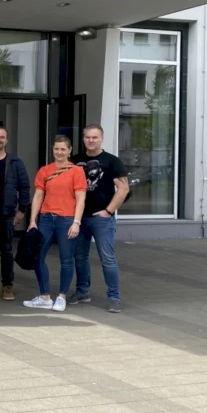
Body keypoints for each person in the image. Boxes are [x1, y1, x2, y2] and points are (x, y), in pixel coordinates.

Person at [24, 136, 87, 312]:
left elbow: (81, 199)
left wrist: (76, 222)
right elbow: (38, 196)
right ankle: (45, 296)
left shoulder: (76, 171)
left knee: (66, 259)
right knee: (38, 256)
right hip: (45, 218)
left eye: (62, 149)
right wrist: (32, 220)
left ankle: (62, 297)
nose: (59, 152)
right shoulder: (45, 170)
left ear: (69, 150)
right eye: (56, 149)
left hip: (67, 219)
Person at [72, 124, 128, 313]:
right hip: (80, 218)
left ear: (101, 138)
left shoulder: (111, 161)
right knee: (79, 257)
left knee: (107, 258)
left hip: (102, 219)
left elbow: (123, 188)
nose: (91, 140)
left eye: (94, 137)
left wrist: (109, 211)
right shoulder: (75, 160)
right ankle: (82, 291)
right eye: (87, 137)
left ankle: (114, 297)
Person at [0, 126, 31, 301]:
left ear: (7, 140)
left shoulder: (15, 162)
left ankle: (7, 285)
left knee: (7, 250)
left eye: (1, 137)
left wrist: (22, 210)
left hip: (7, 212)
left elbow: (25, 187)